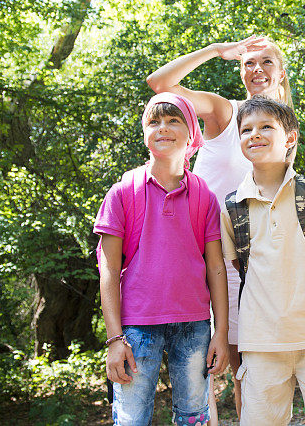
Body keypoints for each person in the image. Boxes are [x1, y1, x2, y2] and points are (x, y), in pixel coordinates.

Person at [146, 35, 292, 419]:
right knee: (200, 355)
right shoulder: (226, 112)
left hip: (248, 252)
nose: (256, 69)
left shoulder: (283, 131)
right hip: (196, 246)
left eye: (266, 62)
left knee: (246, 357)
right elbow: (161, 86)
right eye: (248, 63)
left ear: (281, 71)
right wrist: (214, 51)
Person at [220, 96, 305, 426]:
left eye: (267, 126)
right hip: (261, 342)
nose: (255, 134)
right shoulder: (232, 207)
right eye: (246, 129)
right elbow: (241, 265)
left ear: (290, 138)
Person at [95, 92, 229, 426]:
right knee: (131, 419)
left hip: (194, 324)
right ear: (144, 133)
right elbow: (108, 268)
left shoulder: (203, 196)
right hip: (136, 327)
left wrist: (221, 331)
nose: (163, 128)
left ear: (191, 134)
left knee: (194, 417)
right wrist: (114, 339)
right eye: (154, 121)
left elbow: (215, 266)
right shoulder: (123, 192)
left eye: (173, 121)